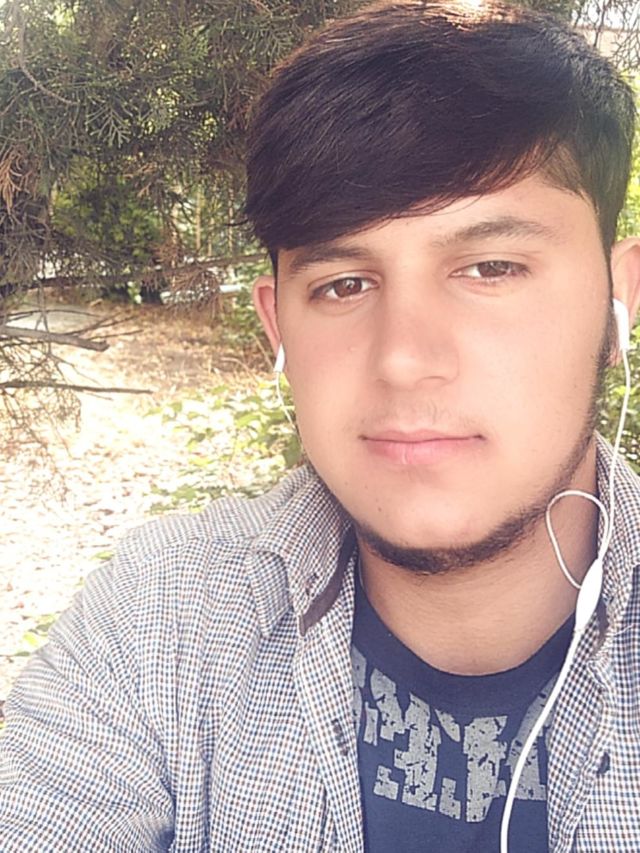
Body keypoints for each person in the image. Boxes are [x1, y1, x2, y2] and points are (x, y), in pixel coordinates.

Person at [1, 0, 640, 850]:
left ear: (617, 300)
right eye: (343, 284)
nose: (403, 357)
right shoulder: (159, 620)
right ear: (278, 327)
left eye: (490, 267)